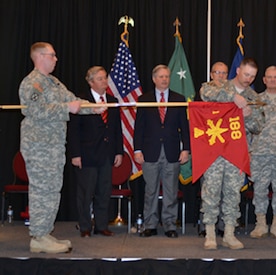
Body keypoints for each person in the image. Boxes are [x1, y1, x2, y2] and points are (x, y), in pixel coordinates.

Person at [19, 42, 104, 253]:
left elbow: (73, 100)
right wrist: (67, 107)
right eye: (52, 55)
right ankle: (38, 236)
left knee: (52, 191)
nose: (56, 59)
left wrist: (94, 108)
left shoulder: (53, 82)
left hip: (54, 147)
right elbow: (36, 111)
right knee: (41, 191)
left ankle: (44, 233)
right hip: (39, 146)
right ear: (40, 57)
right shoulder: (31, 83)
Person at [200, 57, 264, 250]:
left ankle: (229, 234)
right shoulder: (221, 86)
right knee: (211, 191)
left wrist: (249, 116)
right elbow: (204, 92)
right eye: (246, 74)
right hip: (215, 150)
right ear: (238, 71)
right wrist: (232, 97)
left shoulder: (253, 97)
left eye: (252, 76)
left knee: (232, 193)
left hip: (237, 152)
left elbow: (259, 126)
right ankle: (210, 234)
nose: (248, 79)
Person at [133, 64, 190, 238]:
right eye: (161, 76)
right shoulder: (144, 99)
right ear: (154, 79)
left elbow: (185, 128)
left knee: (171, 191)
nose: (164, 79)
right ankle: (150, 224)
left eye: (167, 76)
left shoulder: (179, 99)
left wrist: (186, 149)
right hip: (150, 152)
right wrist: (137, 150)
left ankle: (169, 225)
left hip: (172, 152)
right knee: (150, 191)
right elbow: (139, 128)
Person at [67, 66, 124, 238]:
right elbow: (74, 130)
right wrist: (75, 154)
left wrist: (118, 152)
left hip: (106, 154)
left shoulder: (112, 100)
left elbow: (116, 129)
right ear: (91, 82)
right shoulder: (81, 101)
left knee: (104, 192)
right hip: (87, 155)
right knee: (85, 193)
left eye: (105, 77)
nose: (104, 81)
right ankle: (85, 227)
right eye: (100, 78)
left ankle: (101, 225)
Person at [249, 66, 276, 239]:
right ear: (264, 80)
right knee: (259, 189)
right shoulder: (255, 100)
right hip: (259, 153)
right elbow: (248, 127)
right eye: (269, 77)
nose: (272, 80)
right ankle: (260, 223)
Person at [198, 61, 229, 237]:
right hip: (209, 146)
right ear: (211, 74)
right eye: (217, 72)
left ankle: (224, 225)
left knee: (227, 189)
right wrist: (234, 95)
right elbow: (218, 96)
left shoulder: (232, 89)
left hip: (228, 146)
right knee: (209, 189)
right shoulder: (206, 89)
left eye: (224, 73)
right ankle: (206, 226)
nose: (221, 76)